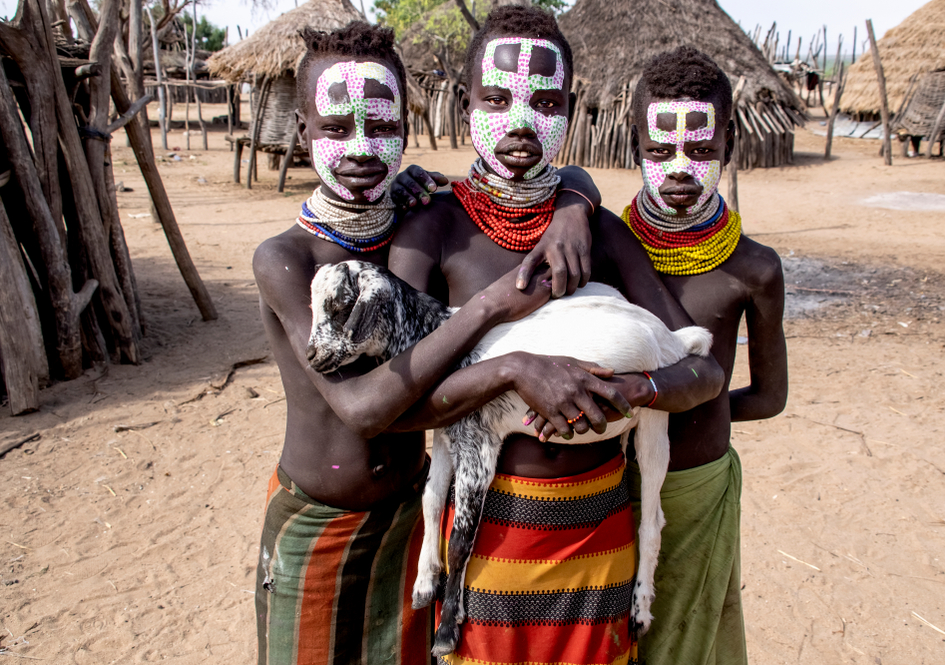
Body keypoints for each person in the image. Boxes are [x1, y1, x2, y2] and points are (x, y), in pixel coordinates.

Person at [250, 22, 634, 665]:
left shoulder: (413, 223)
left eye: (380, 126)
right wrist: (492, 318)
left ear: (408, 125)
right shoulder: (286, 259)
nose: (362, 148)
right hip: (319, 516)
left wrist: (573, 198)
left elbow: (559, 172)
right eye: (336, 130)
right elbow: (367, 412)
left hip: (411, 515)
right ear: (301, 133)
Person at [387, 8, 724, 664]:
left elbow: (702, 370)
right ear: (463, 105)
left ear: (570, 108)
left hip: (599, 540)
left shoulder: (598, 234)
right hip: (485, 545)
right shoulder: (432, 230)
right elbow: (396, 402)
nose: (520, 123)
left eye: (544, 103)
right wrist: (513, 368)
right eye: (495, 100)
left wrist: (640, 386)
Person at [621, 46, 789, 665]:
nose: (680, 168)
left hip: (699, 492)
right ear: (635, 143)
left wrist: (698, 412)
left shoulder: (753, 268)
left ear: (730, 148)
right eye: (660, 152)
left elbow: (770, 397)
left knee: (684, 647)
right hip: (611, 486)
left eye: (703, 151)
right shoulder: (607, 249)